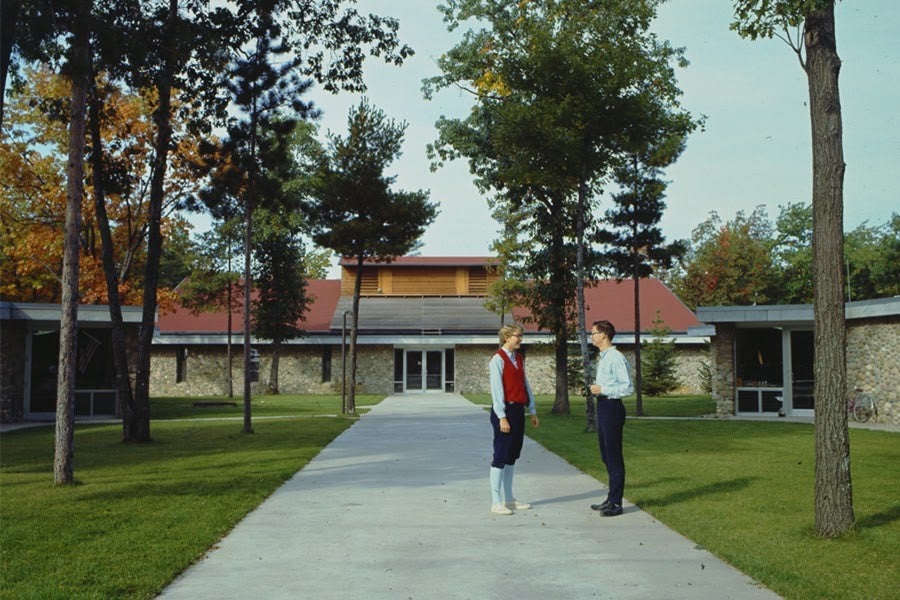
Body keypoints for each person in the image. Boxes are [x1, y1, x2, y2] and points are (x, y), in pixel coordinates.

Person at [487, 323, 539, 515]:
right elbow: (496, 391)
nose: (521, 338)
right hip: (505, 411)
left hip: (517, 411)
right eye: (518, 335)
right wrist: (502, 417)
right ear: (507, 337)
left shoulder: (518, 358)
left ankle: (509, 500)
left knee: (512, 457)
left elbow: (525, 385)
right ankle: (495, 502)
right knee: (500, 455)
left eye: (521, 335)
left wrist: (532, 409)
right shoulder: (497, 360)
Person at [588, 319, 634, 517]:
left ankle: (616, 504)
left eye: (594, 333)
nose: (592, 336)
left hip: (613, 408)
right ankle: (611, 497)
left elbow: (628, 387)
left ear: (604, 335)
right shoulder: (603, 357)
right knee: (606, 455)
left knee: (614, 456)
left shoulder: (616, 357)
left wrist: (603, 389)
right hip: (603, 406)